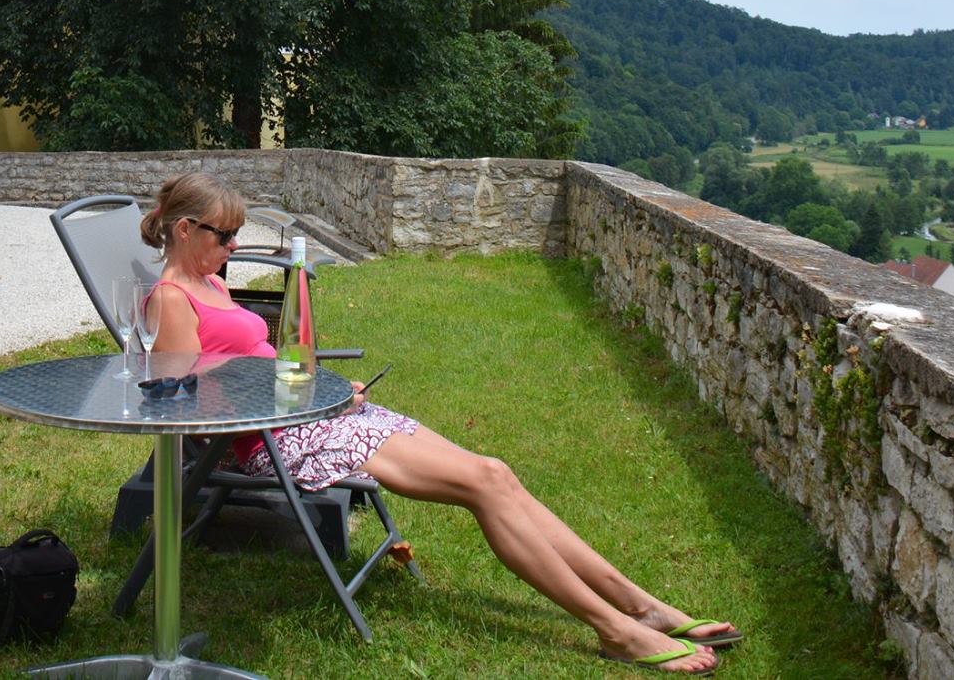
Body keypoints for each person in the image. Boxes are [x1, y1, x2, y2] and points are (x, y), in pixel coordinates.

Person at [141, 172, 740, 673]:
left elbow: (249, 367)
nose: (234, 245)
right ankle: (616, 630)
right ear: (187, 229)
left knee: (495, 473)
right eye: (226, 235)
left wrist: (320, 388)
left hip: (314, 416)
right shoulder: (173, 298)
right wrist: (302, 402)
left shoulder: (210, 279)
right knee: (481, 483)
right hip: (280, 440)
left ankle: (643, 606)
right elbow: (188, 408)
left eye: (238, 234)